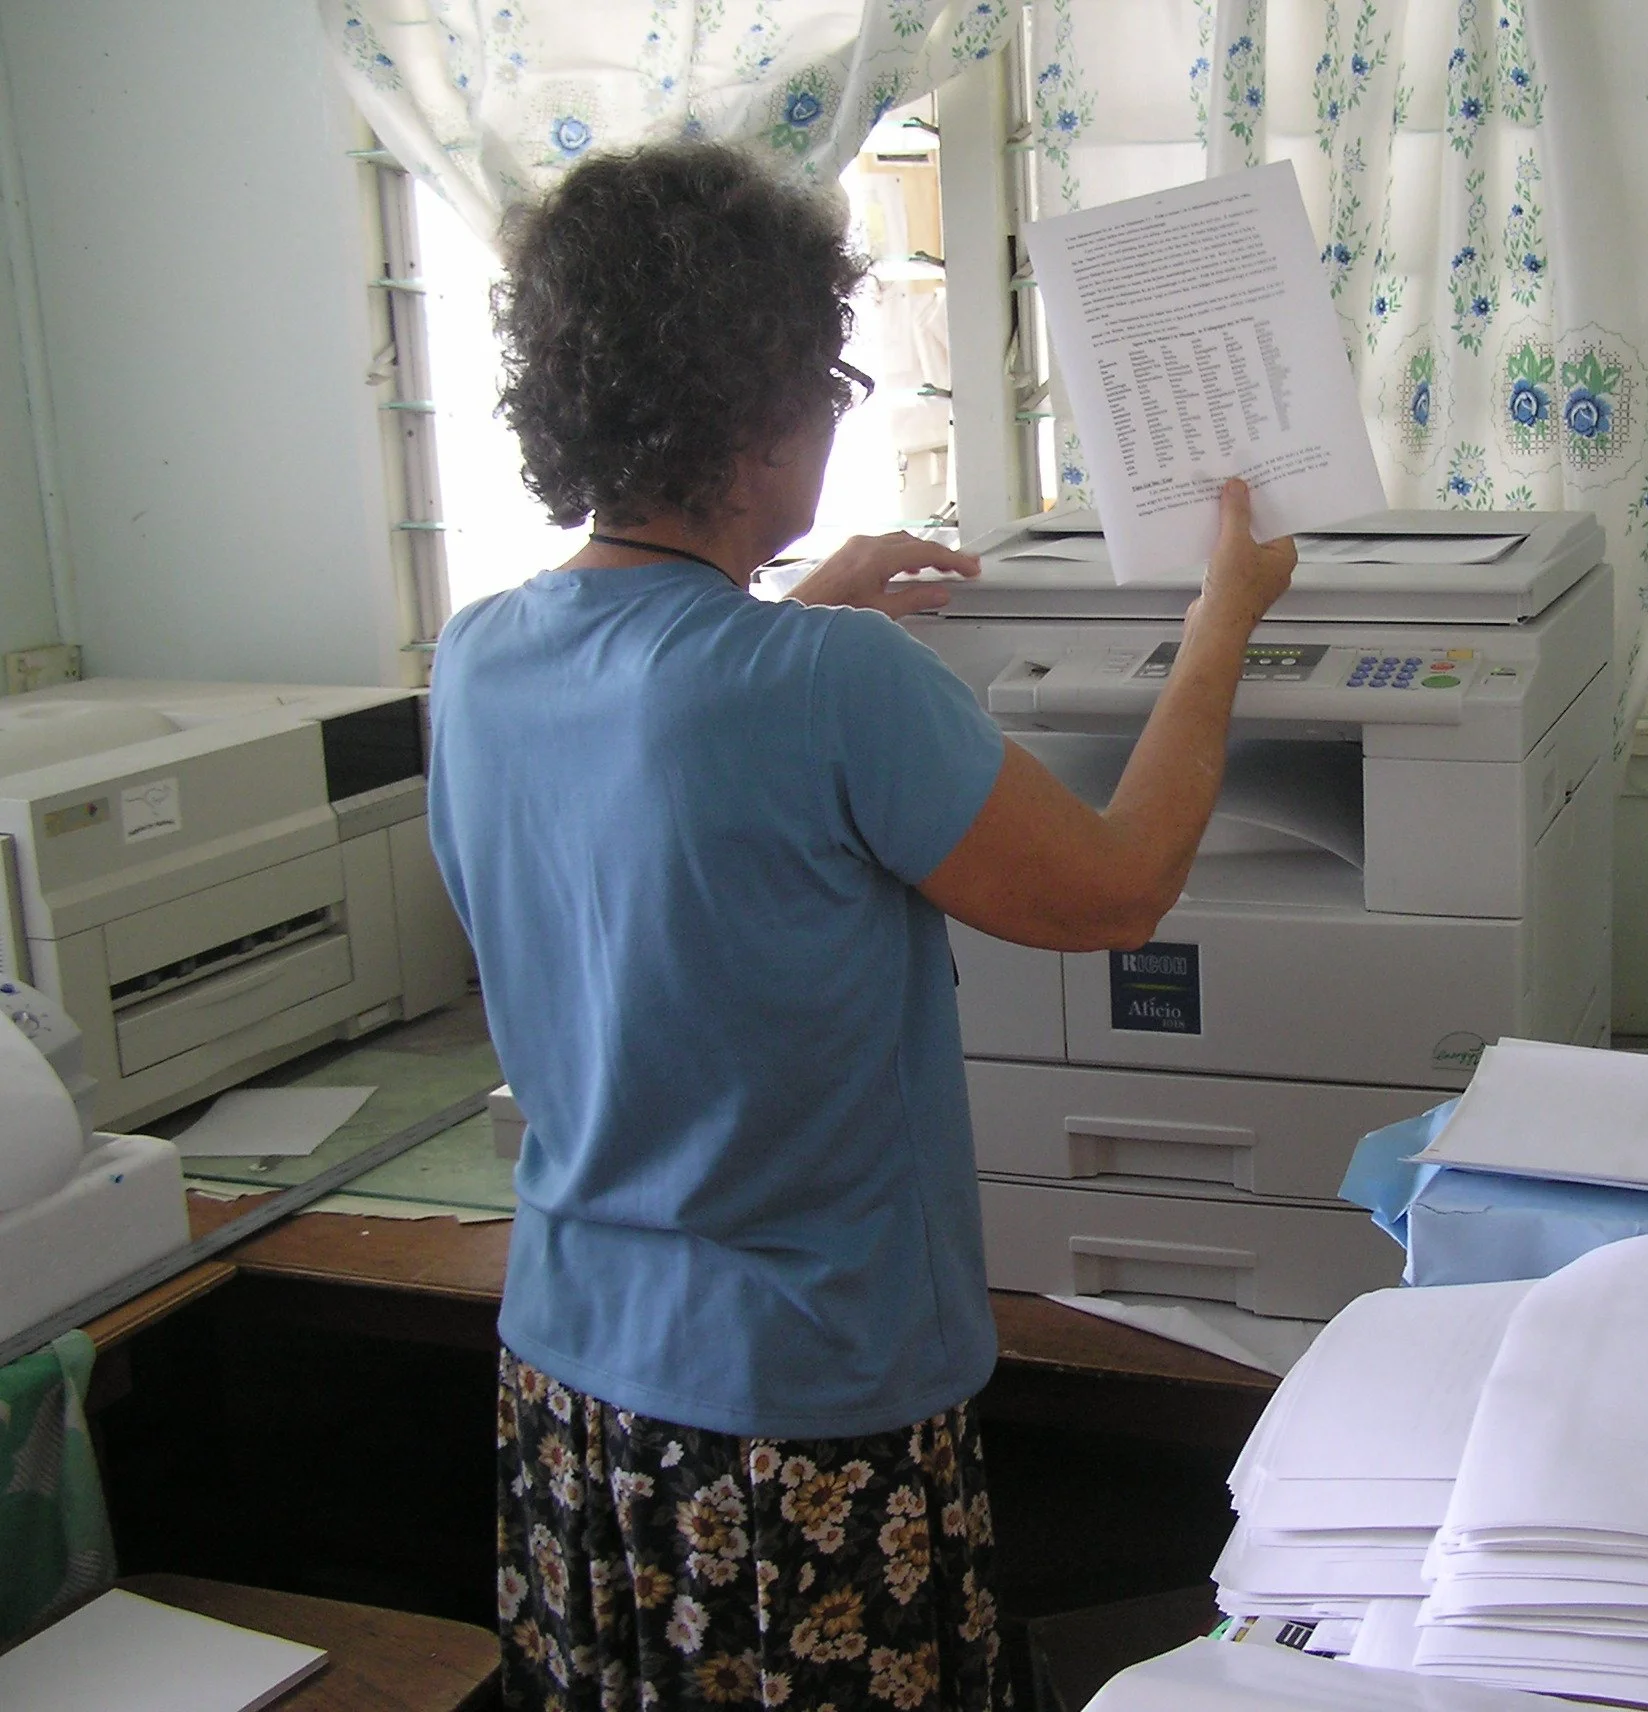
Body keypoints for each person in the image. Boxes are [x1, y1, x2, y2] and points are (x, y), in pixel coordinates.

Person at [427, 142, 1296, 1711]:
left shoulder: (480, 656)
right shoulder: (830, 689)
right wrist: (1220, 628)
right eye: (828, 379)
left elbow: (670, 745)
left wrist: (788, 604)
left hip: (572, 1379)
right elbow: (1115, 888)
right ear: (755, 415)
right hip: (798, 1411)